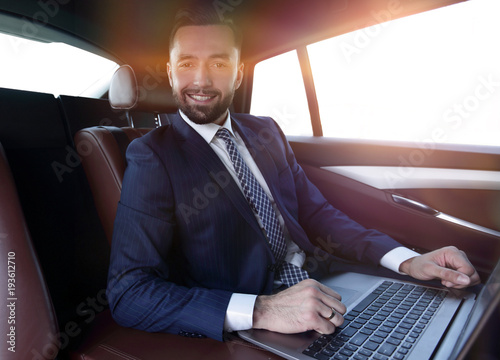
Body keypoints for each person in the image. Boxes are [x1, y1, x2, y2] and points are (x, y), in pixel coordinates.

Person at [106, 6, 480, 342]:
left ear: (238, 74)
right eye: (187, 63)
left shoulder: (265, 131)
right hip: (261, 322)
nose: (201, 80)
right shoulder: (154, 156)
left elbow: (318, 215)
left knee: (457, 322)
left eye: (218, 64)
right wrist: (263, 310)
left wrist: (406, 259)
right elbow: (129, 292)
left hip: (329, 283)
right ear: (171, 73)